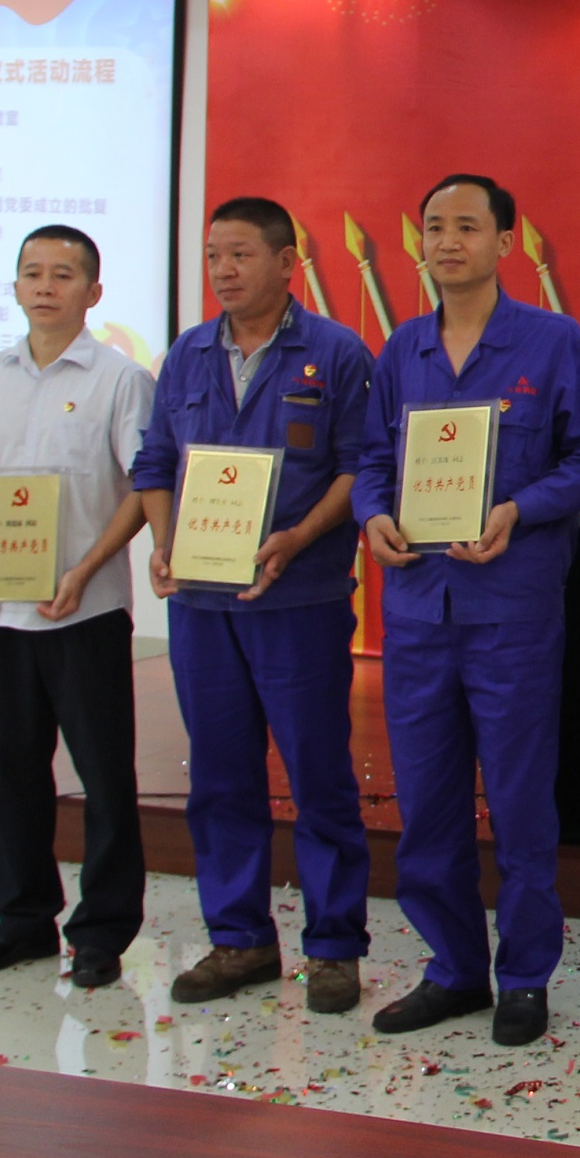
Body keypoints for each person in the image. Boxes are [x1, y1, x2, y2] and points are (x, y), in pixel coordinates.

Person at [355, 174, 580, 1046]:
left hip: (512, 610)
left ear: (505, 241)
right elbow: (370, 462)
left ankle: (526, 976)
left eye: (467, 226)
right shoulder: (402, 348)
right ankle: (454, 969)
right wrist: (374, 516)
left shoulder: (551, 341)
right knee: (427, 801)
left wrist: (519, 510)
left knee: (518, 800)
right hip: (418, 611)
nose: (448, 241)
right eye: (434, 226)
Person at [132, 198, 377, 1015]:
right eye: (213, 256)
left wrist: (297, 537)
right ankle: (238, 937)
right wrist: (164, 543)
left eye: (239, 254)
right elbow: (156, 461)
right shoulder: (188, 354)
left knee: (318, 775)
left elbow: (358, 469)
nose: (224, 271)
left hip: (298, 598)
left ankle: (334, 947)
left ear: (285, 263)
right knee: (219, 775)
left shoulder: (335, 352)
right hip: (203, 605)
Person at [0, 225, 156, 987]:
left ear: (93, 292)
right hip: (5, 613)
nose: (45, 286)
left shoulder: (119, 379)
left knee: (104, 775)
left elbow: (143, 485)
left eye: (63, 274)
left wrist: (88, 568)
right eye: (32, 273)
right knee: (17, 768)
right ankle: (23, 919)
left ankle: (102, 930)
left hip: (85, 610)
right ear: (15, 287)